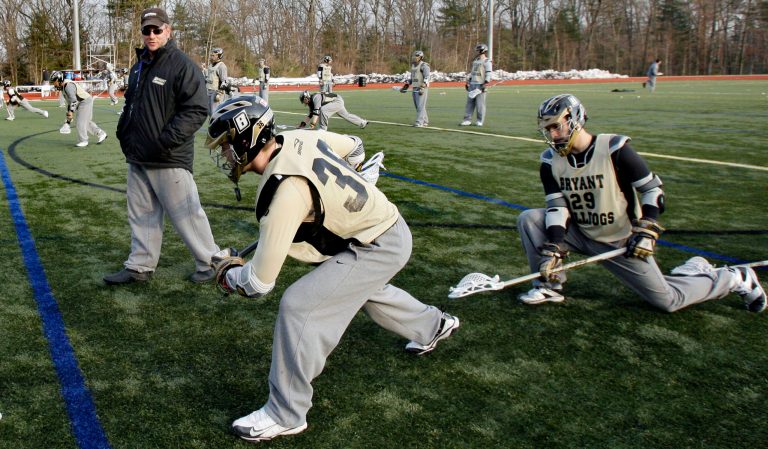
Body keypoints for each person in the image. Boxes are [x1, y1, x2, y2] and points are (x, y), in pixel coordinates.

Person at [205, 96, 460, 443]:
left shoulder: (285, 192)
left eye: (226, 146)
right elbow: (355, 146)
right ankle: (433, 326)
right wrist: (352, 176)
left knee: (299, 307)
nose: (224, 155)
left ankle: (286, 412)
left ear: (247, 137)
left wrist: (228, 275)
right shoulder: (301, 137)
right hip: (381, 229)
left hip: (376, 243)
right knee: (360, 291)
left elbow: (259, 284)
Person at [515, 93, 766, 313]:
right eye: (547, 130)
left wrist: (648, 228)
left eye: (556, 126)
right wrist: (555, 246)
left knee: (668, 300)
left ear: (574, 119)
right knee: (530, 218)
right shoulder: (550, 162)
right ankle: (548, 285)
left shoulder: (614, 149)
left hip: (620, 239)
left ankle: (733, 277)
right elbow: (558, 208)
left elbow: (652, 190)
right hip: (581, 232)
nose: (552, 134)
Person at [103, 7, 222, 285]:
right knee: (141, 214)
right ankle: (140, 266)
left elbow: (196, 110)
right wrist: (124, 133)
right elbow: (130, 104)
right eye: (147, 30)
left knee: (187, 214)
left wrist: (165, 141)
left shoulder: (182, 65)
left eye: (157, 29)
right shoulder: (139, 66)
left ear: (168, 30)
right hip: (138, 155)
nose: (152, 35)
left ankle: (210, 263)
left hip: (168, 157)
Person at [50, 71, 107, 146]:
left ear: (59, 79)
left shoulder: (68, 86)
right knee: (86, 122)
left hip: (84, 101)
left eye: (54, 81)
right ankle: (101, 133)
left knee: (80, 122)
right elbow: (70, 101)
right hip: (82, 101)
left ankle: (83, 140)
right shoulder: (64, 87)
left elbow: (73, 101)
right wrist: (68, 116)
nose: (54, 84)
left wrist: (71, 112)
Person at [298, 90, 367, 131]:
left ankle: (322, 130)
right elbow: (310, 115)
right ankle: (362, 123)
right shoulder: (311, 102)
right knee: (346, 115)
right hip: (336, 101)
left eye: (303, 100)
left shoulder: (315, 98)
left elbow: (316, 112)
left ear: (306, 98)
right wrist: (303, 124)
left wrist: (313, 124)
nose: (303, 102)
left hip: (337, 101)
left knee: (323, 110)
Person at [459, 43, 492, 127]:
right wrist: (468, 81)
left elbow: (488, 73)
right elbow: (472, 72)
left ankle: (479, 120)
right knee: (469, 104)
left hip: (480, 85)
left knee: (480, 104)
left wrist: (486, 83)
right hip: (472, 84)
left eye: (478, 50)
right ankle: (467, 120)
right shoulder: (475, 61)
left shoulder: (487, 61)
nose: (477, 51)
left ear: (483, 50)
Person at [400, 50, 430, 127]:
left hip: (421, 88)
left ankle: (419, 122)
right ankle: (425, 121)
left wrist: (424, 85)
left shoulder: (424, 65)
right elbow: (414, 78)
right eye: (415, 56)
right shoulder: (413, 65)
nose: (415, 58)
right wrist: (407, 84)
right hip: (415, 87)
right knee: (418, 106)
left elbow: (427, 76)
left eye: (417, 56)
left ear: (421, 57)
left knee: (420, 105)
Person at [205, 47, 228, 114]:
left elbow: (224, 81)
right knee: (209, 112)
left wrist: (219, 94)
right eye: (211, 55)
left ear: (219, 56)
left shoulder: (221, 66)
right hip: (208, 91)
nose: (211, 57)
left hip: (216, 92)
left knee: (215, 112)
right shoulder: (210, 65)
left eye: (213, 56)